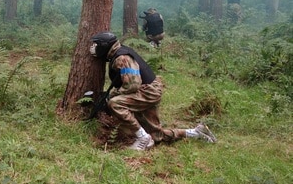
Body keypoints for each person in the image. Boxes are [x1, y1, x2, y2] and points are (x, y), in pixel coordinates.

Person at [89, 31, 217, 151]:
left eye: (96, 45)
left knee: (115, 103)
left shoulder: (122, 58)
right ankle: (195, 133)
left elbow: (133, 84)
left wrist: (113, 94)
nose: (93, 48)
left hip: (147, 92)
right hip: (148, 89)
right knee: (157, 135)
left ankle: (143, 138)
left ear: (105, 46)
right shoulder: (119, 52)